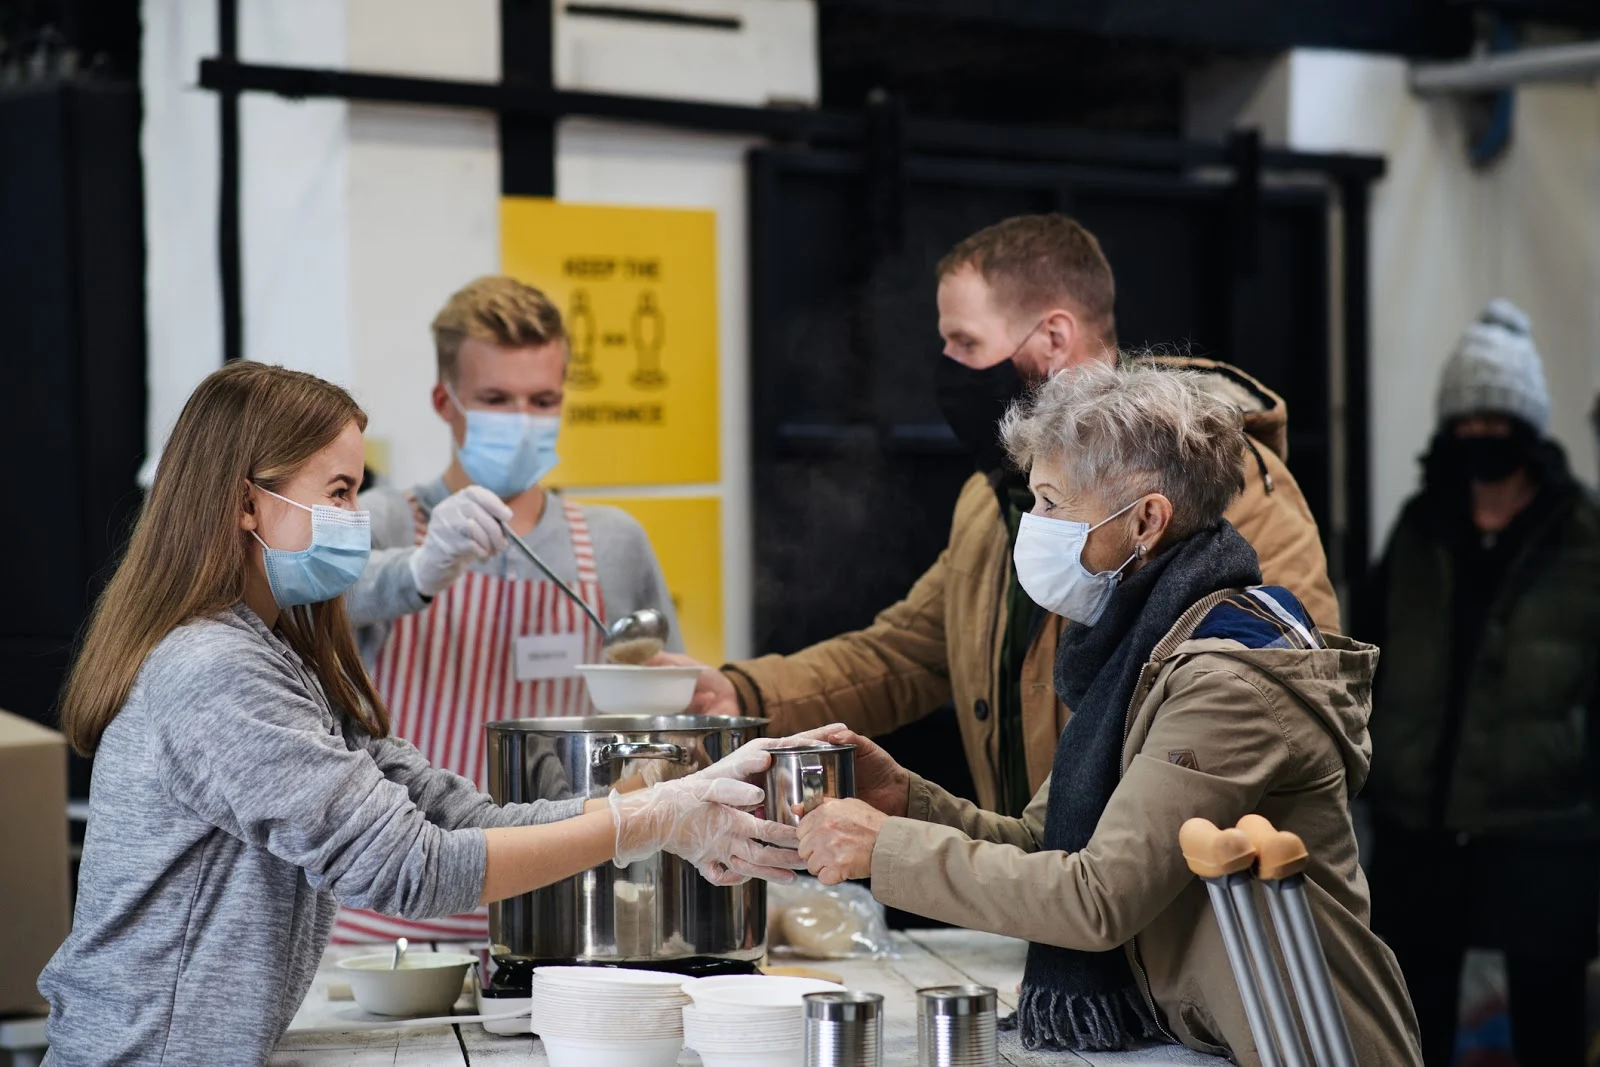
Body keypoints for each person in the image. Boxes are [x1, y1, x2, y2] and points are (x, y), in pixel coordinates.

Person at [37, 362, 808, 1066]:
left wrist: (658, 809)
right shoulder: (215, 669)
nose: (354, 515)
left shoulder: (278, 656)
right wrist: (642, 822)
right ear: (246, 502)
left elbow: (455, 812)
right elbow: (410, 865)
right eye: (337, 492)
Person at [792, 363, 1419, 1065]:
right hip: (1214, 1039)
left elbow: (1096, 897)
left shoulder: (1228, 680)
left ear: (1147, 520)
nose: (1035, 527)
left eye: (1053, 502)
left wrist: (884, 850)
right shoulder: (1141, 645)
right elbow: (1047, 846)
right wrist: (906, 801)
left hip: (1306, 1043)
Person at [665, 213, 1338, 818]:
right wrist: (740, 690)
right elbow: (908, 652)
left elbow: (1293, 707)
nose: (948, 368)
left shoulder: (1224, 486)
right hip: (1042, 898)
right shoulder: (996, 499)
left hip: (1161, 916)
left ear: (1052, 337)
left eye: (965, 342)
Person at [334, 275, 682, 943]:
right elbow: (308, 606)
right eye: (495, 400)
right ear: (445, 400)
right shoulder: (379, 522)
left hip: (562, 911)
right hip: (390, 919)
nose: (522, 421)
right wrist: (419, 568)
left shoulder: (612, 543)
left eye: (542, 400)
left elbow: (659, 719)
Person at [1359, 299, 1600, 1067]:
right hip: (1418, 828)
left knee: (1549, 1024)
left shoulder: (1585, 538)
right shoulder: (1419, 527)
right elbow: (1369, 651)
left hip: (1544, 829)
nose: (1481, 438)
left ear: (1529, 428)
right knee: (1408, 1024)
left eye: (1498, 422)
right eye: (1466, 422)